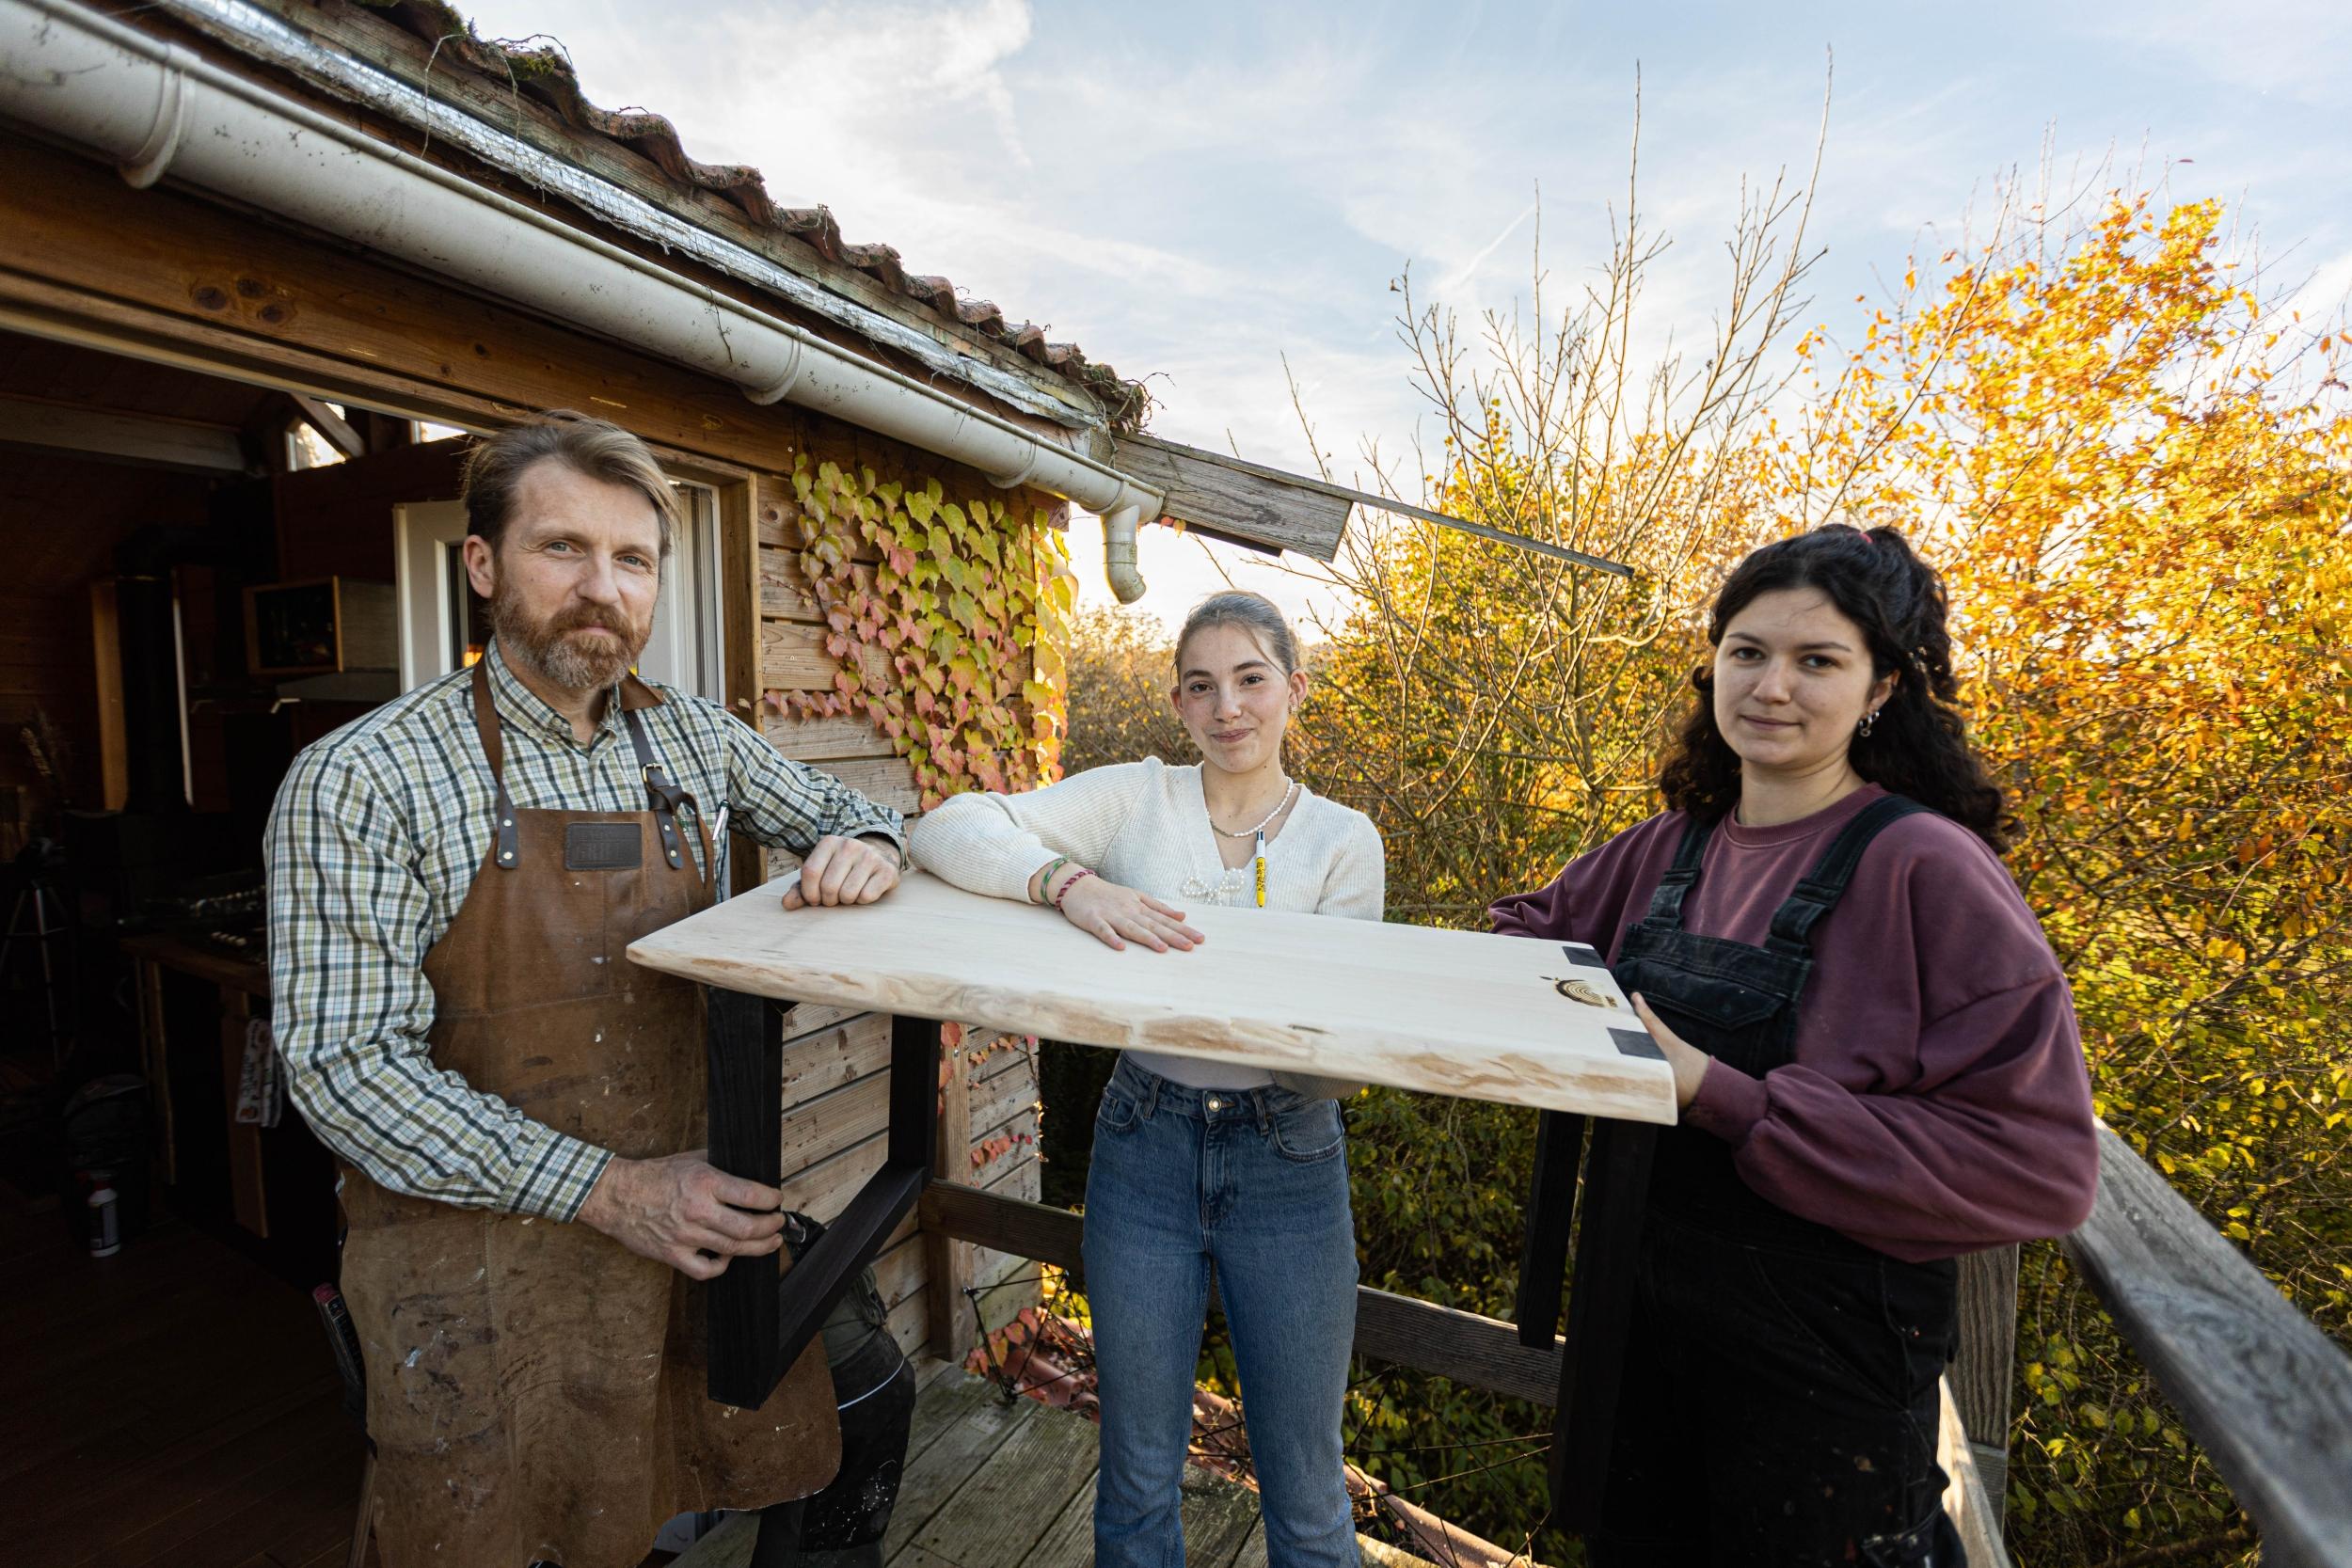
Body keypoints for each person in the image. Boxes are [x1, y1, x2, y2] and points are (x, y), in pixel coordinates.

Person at [264, 412, 908, 1568]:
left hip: (683, 1217)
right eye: (563, 548)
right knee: (498, 1532)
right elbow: (344, 1069)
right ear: (482, 565)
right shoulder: (364, 775)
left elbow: (861, 814)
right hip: (473, 1255)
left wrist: (870, 843)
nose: (601, 588)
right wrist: (609, 1189)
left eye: (633, 559)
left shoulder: (695, 742)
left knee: (832, 1417)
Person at [1490, 525, 2099, 1567]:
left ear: (1882, 688)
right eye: (1747, 651)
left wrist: (1720, 1093)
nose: (1772, 685)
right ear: (1713, 664)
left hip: (1828, 1374)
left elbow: (2038, 1165)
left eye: (1817, 660)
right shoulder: (1669, 844)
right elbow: (1517, 939)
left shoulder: (1924, 866)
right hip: (1642, 1335)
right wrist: (1573, 1024)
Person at [910, 590, 1382, 1568]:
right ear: (1176, 702)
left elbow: (1335, 1066)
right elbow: (949, 825)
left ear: (1294, 688)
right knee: (1134, 1467)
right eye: (1201, 686)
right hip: (1144, 1143)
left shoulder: (1345, 841)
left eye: (1251, 679)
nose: (1228, 708)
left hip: (1288, 1157)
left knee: (1304, 1482)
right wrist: (1071, 886)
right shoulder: (1137, 797)